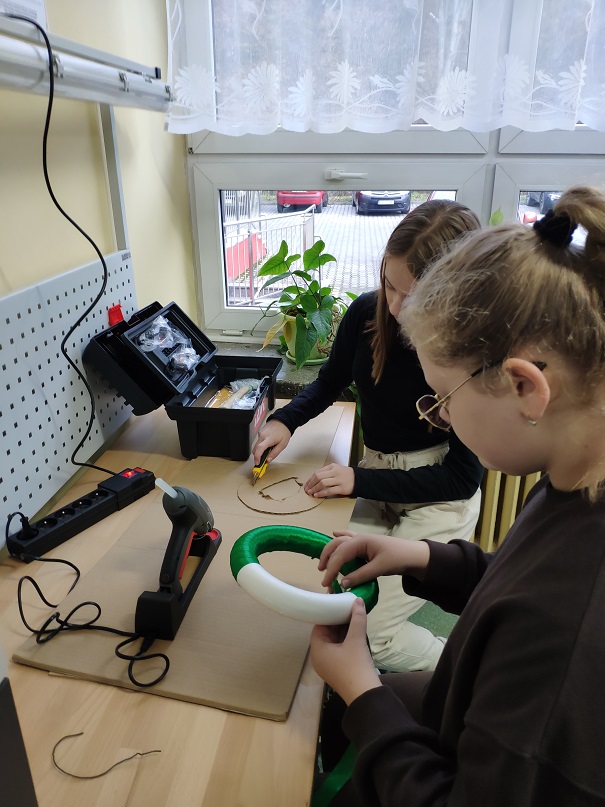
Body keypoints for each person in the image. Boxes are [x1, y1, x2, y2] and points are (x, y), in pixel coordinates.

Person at [310, 185, 605, 806]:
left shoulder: (565, 633)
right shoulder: (571, 483)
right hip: (463, 702)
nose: (439, 418)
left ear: (525, 388)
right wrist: (423, 558)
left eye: (442, 399)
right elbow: (517, 578)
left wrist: (363, 693)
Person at [253, 200, 484, 672]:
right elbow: (330, 381)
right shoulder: (366, 312)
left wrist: (359, 481)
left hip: (437, 496)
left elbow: (460, 480)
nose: (395, 307)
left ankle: (468, 677)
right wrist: (285, 421)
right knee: (337, 604)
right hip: (380, 479)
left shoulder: (468, 353)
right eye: (389, 284)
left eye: (413, 297)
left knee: (373, 635)